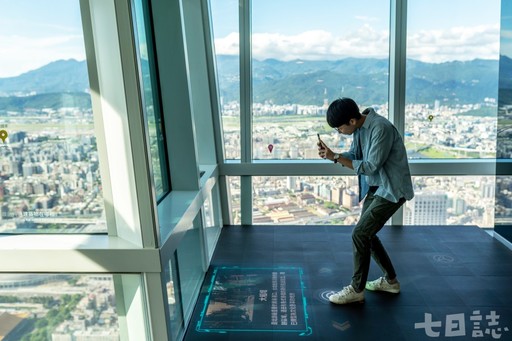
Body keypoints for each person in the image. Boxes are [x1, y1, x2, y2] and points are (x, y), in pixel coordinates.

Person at [317, 97, 414, 305]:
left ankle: (356, 289)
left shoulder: (380, 128)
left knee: (361, 233)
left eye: (339, 127)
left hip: (391, 189)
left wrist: (336, 158)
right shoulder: (360, 128)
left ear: (352, 120)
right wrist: (334, 155)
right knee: (366, 235)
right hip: (375, 187)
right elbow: (355, 154)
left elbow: (370, 166)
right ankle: (390, 281)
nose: (339, 132)